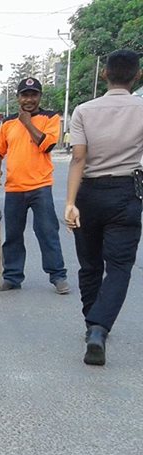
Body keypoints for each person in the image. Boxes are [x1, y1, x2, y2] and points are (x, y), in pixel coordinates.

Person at [63, 50, 143, 366]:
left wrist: (70, 202)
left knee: (89, 263)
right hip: (127, 192)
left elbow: (79, 158)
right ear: (137, 76)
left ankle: (90, 322)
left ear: (104, 74)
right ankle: (99, 328)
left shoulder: (83, 111)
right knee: (120, 267)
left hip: (88, 193)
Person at [0, 77, 69, 294]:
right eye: (25, 95)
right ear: (18, 98)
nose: (29, 99)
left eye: (33, 95)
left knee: (47, 231)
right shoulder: (7, 123)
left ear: (40, 97)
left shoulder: (50, 117)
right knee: (13, 235)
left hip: (40, 186)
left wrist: (26, 122)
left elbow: (47, 145)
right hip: (14, 188)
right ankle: (12, 277)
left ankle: (58, 276)